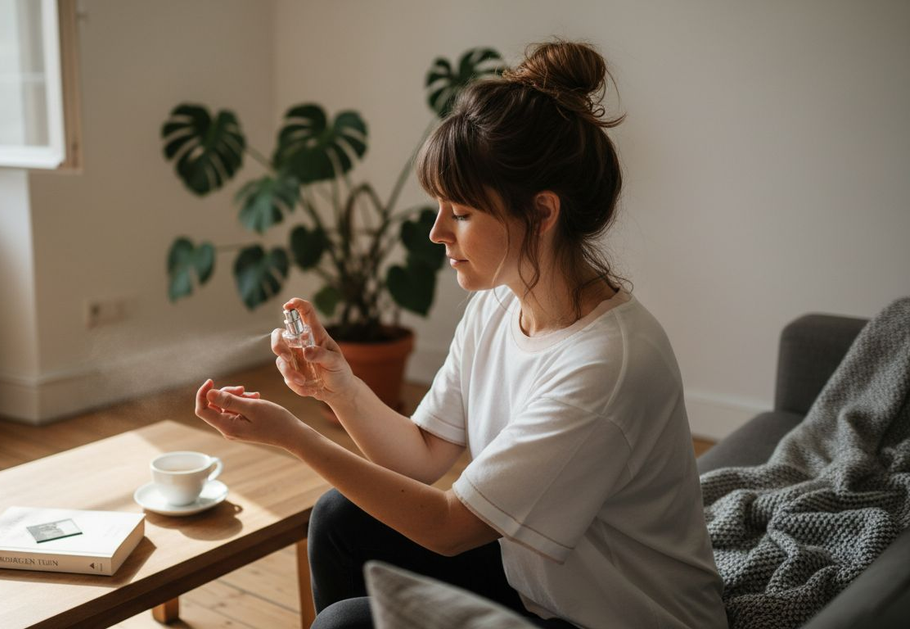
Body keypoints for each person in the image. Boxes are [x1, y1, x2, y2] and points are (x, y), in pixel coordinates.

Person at [194, 39, 728, 629]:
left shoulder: (605, 366)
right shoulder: (499, 304)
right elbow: (421, 458)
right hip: (542, 585)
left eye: (462, 213)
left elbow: (448, 528)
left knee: (346, 624)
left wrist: (295, 437)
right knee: (340, 520)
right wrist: (336, 386)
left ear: (542, 213)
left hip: (613, 620)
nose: (437, 233)